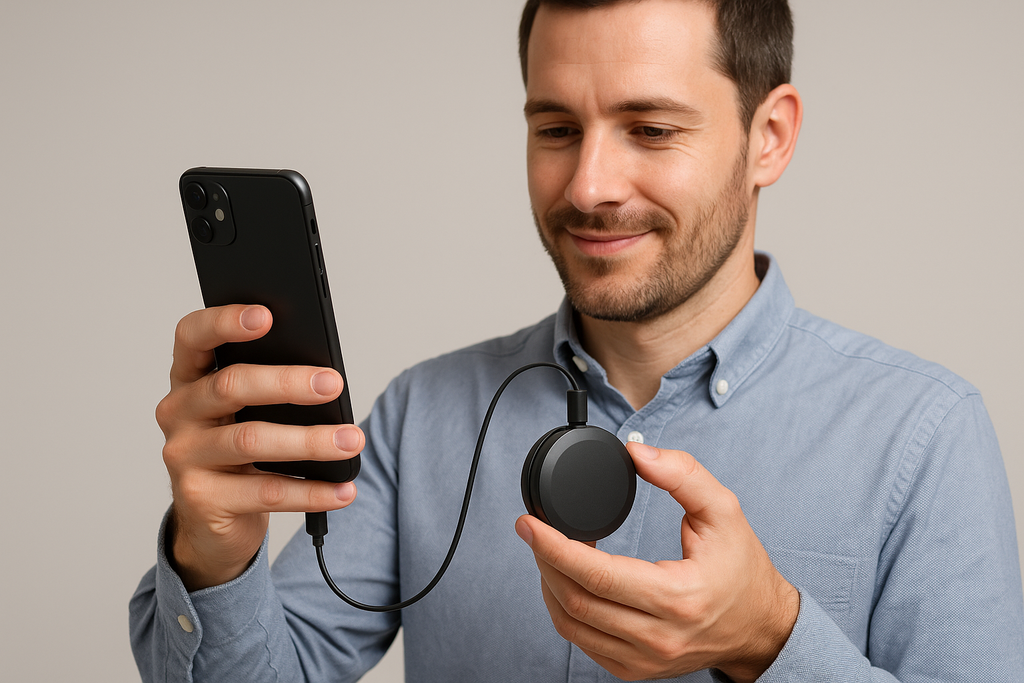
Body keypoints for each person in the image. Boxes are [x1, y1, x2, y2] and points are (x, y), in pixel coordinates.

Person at [130, 0, 1024, 681]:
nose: (590, 183)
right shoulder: (419, 415)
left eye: (651, 129)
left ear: (770, 137)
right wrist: (216, 551)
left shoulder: (924, 432)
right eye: (556, 129)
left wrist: (771, 635)